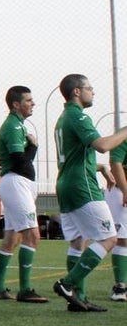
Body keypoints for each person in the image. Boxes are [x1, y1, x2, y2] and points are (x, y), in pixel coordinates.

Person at [51, 74, 127, 312]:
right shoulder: (78, 116)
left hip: (66, 184)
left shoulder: (62, 119)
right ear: (76, 91)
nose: (92, 92)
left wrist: (101, 167)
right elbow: (102, 145)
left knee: (77, 242)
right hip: (83, 188)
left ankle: (77, 298)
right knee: (109, 238)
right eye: (89, 88)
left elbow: (72, 159)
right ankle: (68, 284)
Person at [0, 86, 48, 303]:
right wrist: (33, 146)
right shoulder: (13, 127)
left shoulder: (18, 125)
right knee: (33, 235)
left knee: (12, 238)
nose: (32, 103)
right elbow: (19, 161)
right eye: (28, 100)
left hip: (18, 183)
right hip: (16, 183)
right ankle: (25, 289)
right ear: (16, 104)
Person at [105, 144, 127, 301]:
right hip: (121, 193)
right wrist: (125, 190)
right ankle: (120, 287)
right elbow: (115, 163)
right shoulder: (123, 136)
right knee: (122, 240)